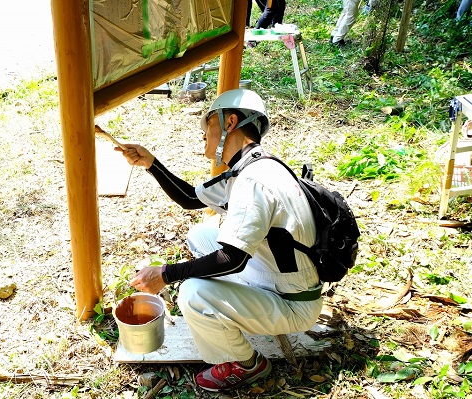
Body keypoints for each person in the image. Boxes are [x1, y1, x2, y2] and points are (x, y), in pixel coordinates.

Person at [116, 89, 323, 392]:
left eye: (208, 124)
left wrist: (166, 274)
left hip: (293, 302)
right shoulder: (256, 165)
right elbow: (190, 198)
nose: (203, 135)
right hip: (277, 275)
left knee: (192, 293)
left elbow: (233, 259)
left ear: (230, 122)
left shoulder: (252, 181)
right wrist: (151, 163)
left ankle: (248, 364)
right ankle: (240, 312)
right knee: (201, 235)